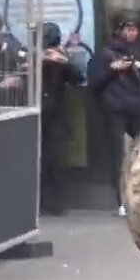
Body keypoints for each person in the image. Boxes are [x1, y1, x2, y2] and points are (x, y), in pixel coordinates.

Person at [90, 11, 140, 217]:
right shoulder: (106, 53)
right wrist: (112, 69)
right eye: (129, 29)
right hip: (116, 107)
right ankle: (122, 199)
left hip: (137, 106)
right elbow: (94, 81)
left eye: (135, 29)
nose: (133, 33)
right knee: (117, 154)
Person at [38, 22, 85, 215]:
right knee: (39, 160)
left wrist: (64, 62)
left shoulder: (61, 58)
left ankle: (56, 203)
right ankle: (41, 202)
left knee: (56, 160)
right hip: (37, 113)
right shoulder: (34, 55)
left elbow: (78, 79)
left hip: (55, 113)